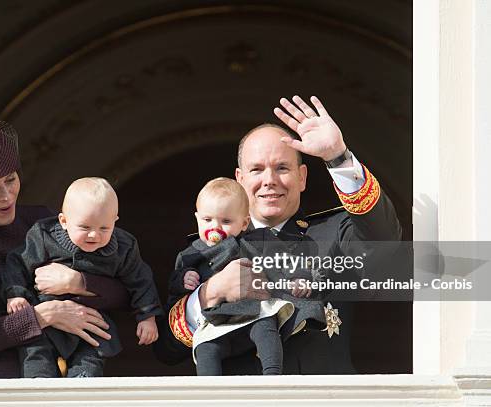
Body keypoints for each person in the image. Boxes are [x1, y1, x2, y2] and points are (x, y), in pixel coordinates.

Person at [155, 95, 402, 374]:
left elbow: (384, 243)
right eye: (257, 169)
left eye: (282, 168)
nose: (269, 180)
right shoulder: (203, 249)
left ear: (302, 177)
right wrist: (210, 293)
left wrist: (338, 157)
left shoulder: (333, 233)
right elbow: (165, 348)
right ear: (240, 179)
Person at [0, 116, 129, 379]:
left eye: (10, 179)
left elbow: (126, 292)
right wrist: (43, 316)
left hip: (57, 387)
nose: (6, 196)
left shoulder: (42, 221)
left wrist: (79, 282)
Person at [2, 177, 162, 377]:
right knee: (36, 354)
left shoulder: (124, 246)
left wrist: (147, 317)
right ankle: (38, 385)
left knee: (91, 355)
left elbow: (140, 280)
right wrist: (15, 294)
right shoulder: (43, 236)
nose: (94, 235)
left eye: (104, 228)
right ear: (64, 221)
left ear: (115, 221)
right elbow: (18, 262)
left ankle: (82, 384)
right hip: (46, 322)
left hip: (91, 323)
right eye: (85, 227)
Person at [168, 177, 298, 375]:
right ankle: (211, 391)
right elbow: (174, 288)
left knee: (266, 328)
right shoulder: (191, 254)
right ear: (197, 218)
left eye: (226, 221)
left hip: (253, 312)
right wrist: (184, 279)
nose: (215, 227)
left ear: (244, 223)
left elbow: (283, 260)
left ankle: (272, 376)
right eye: (207, 220)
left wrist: (294, 278)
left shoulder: (255, 241)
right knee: (205, 347)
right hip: (217, 320)